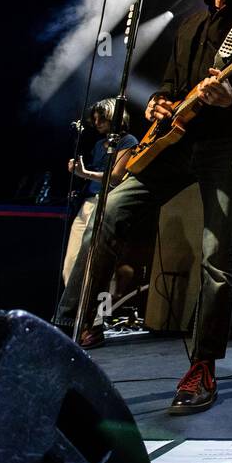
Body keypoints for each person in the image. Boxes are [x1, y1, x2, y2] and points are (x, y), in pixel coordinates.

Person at [58, 0, 232, 415]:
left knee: (217, 257)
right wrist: (159, 102)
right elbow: (171, 86)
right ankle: (64, 332)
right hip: (175, 142)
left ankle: (201, 366)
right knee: (109, 215)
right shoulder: (188, 26)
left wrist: (229, 99)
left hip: (228, 147)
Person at [56, 98, 139, 318]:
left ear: (113, 117)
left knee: (99, 264)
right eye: (94, 118)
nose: (97, 122)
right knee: (71, 264)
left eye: (101, 118)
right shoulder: (97, 145)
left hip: (108, 203)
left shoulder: (128, 141)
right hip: (87, 204)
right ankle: (76, 315)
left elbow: (116, 177)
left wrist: (84, 173)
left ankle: (97, 318)